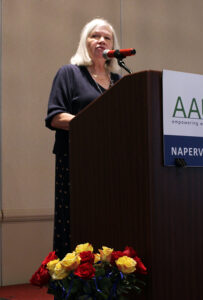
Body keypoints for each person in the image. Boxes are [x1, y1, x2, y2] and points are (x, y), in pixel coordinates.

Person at [45, 18, 121, 259]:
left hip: (111, 164)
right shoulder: (69, 73)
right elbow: (55, 116)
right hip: (77, 163)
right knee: (77, 223)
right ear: (84, 42)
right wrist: (92, 123)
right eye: (94, 36)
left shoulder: (119, 82)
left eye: (106, 38)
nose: (101, 41)